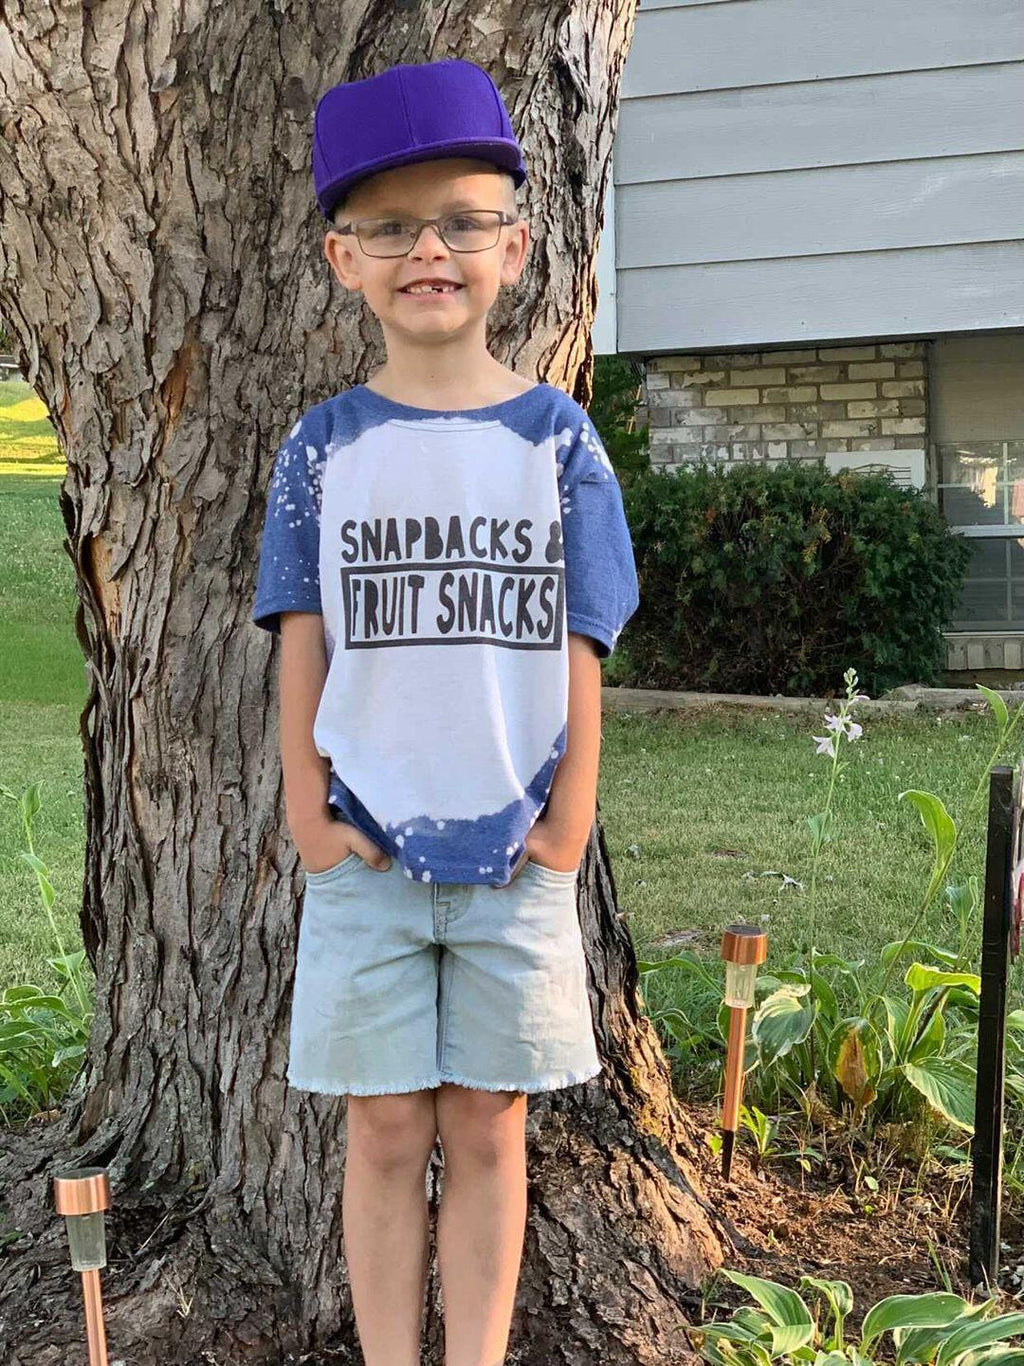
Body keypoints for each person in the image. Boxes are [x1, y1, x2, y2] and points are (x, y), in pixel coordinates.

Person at [251, 56, 640, 1366]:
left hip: (517, 854)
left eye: (464, 219)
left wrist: (572, 812)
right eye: (390, 227)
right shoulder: (321, 451)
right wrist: (307, 812)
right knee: (383, 1128)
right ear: (339, 258)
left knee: (486, 1125)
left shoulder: (558, 444)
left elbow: (583, 637)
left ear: (517, 246)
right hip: (361, 855)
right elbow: (301, 635)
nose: (430, 249)